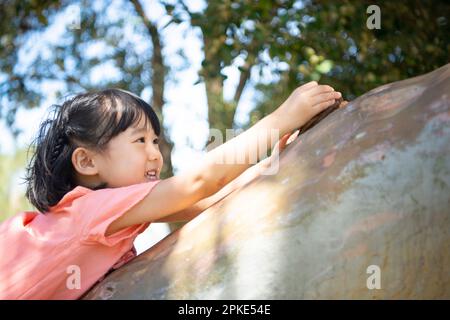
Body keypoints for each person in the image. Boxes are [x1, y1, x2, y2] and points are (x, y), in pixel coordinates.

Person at [0, 83, 341, 299]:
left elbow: (206, 200)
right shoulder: (89, 211)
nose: (154, 153)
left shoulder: (116, 214)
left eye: (155, 141)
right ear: (87, 162)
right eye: (140, 141)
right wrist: (281, 118)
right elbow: (199, 182)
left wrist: (276, 161)